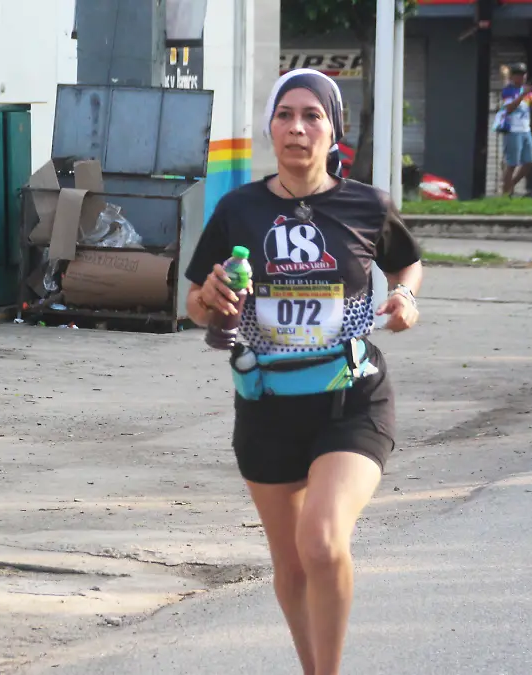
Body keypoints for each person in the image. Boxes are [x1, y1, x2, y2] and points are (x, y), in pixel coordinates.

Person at [184, 68, 424, 675]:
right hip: (265, 403)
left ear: (333, 130)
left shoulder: (367, 205)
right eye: (285, 114)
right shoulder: (239, 209)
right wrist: (211, 295)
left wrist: (405, 300)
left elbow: (407, 265)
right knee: (290, 562)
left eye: (312, 115)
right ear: (270, 127)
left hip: (351, 399)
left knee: (321, 541)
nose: (297, 128)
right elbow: (192, 304)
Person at [497, 62, 532, 196]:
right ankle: (506, 192)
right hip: (512, 131)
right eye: (518, 75)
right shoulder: (508, 90)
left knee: (530, 161)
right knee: (512, 164)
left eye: (523, 75)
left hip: (525, 130)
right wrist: (522, 95)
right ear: (512, 76)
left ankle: (511, 185)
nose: (521, 78)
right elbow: (509, 109)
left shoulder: (526, 90)